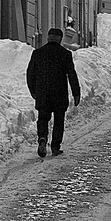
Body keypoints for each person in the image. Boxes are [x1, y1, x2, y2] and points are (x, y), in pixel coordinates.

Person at [26, 27, 81, 158]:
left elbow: (30, 73)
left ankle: (42, 138)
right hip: (59, 93)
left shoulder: (38, 53)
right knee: (59, 120)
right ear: (60, 39)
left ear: (48, 37)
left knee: (43, 118)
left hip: (42, 93)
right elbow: (71, 74)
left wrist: (33, 90)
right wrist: (76, 93)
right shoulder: (65, 54)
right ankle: (55, 147)